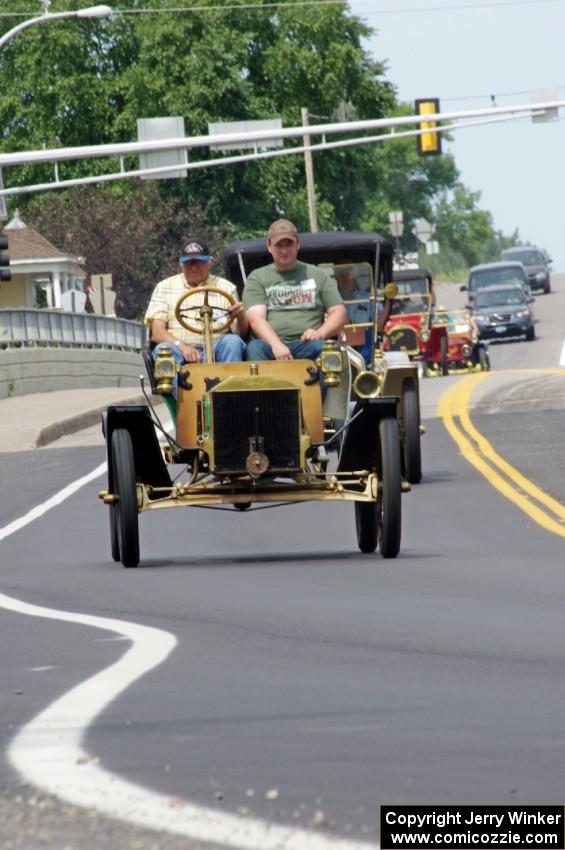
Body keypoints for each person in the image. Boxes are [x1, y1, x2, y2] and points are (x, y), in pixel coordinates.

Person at [243, 219, 347, 361]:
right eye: (279, 245)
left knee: (328, 351)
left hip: (309, 344)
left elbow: (339, 313)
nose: (284, 250)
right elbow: (256, 319)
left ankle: (328, 384)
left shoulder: (318, 275)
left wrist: (320, 333)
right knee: (254, 348)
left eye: (289, 244)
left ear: (297, 244)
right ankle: (263, 384)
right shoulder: (257, 277)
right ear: (269, 246)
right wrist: (276, 344)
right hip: (270, 346)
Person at [145, 237, 248, 379]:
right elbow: (157, 332)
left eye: (199, 262)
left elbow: (239, 333)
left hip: (217, 347)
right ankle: (178, 400)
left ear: (209, 262)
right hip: (178, 349)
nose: (193, 267)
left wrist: (240, 316)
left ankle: (231, 397)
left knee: (233, 342)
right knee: (164, 351)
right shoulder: (164, 287)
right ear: (181, 264)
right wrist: (181, 345)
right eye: (188, 263)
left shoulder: (226, 288)